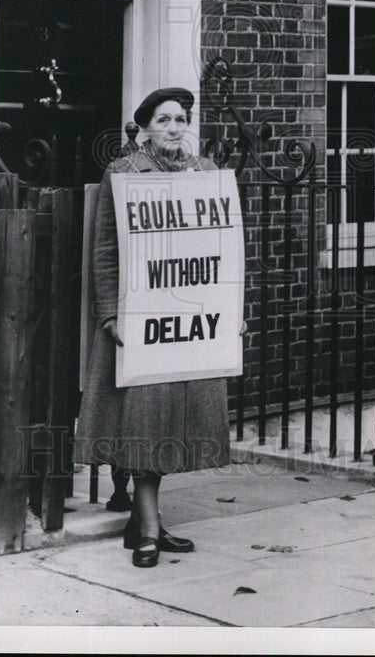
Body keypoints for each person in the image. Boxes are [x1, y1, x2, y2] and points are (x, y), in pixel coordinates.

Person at [76, 87, 243, 566]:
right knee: (145, 422)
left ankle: (142, 521)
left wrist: (231, 309)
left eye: (181, 119)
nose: (175, 128)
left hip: (190, 324)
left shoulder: (206, 174)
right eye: (164, 120)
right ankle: (148, 527)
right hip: (141, 322)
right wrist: (110, 314)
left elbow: (224, 249)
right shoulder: (124, 174)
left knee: (171, 422)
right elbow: (106, 250)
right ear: (145, 126)